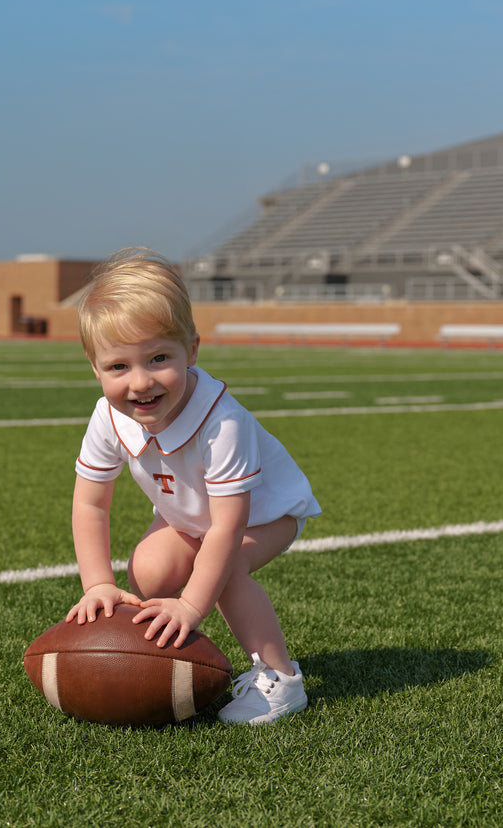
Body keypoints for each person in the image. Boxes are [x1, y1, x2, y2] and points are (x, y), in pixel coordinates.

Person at [65, 248, 321, 725]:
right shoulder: (107, 416)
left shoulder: (222, 421)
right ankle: (164, 656)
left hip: (265, 514)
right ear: (94, 366)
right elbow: (91, 504)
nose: (140, 382)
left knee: (225, 569)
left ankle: (281, 680)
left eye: (159, 358)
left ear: (193, 350)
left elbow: (227, 528)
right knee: (148, 570)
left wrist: (190, 605)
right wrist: (98, 584)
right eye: (119, 366)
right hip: (188, 516)